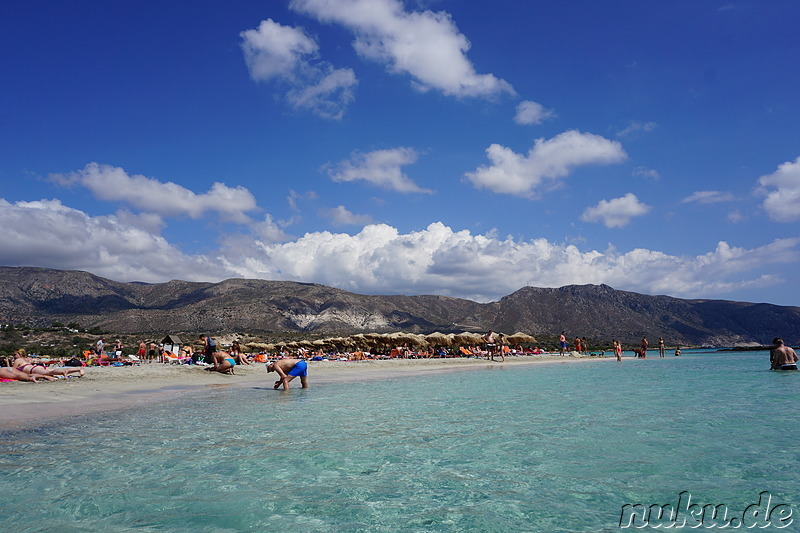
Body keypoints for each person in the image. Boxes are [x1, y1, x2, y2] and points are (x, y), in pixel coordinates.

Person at [12, 349, 83, 379]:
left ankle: (65, 372)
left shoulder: (18, 360)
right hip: (36, 367)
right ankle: (77, 369)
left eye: (15, 354)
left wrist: (7, 363)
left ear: (19, 354)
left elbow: (13, 370)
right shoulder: (27, 359)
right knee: (52, 371)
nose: (13, 356)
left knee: (50, 372)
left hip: (33, 370)